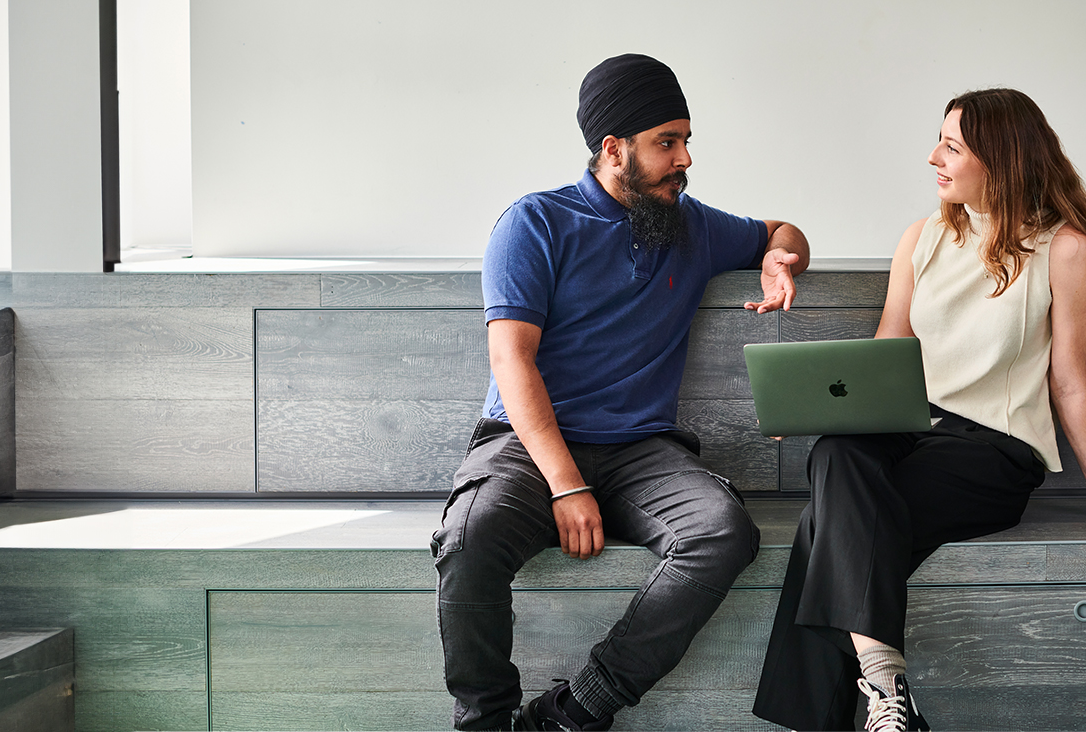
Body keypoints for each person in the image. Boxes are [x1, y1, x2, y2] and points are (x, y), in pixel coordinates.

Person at [430, 53, 810, 731]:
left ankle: (578, 710)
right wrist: (566, 484)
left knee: (722, 532)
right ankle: (485, 720)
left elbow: (781, 230)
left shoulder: (689, 224)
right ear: (612, 148)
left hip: (641, 451)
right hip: (527, 445)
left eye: (686, 140)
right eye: (667, 141)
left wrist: (781, 257)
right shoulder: (534, 223)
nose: (684, 158)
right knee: (467, 536)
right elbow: (512, 363)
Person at [752, 88, 1086, 732]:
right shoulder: (923, 237)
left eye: (952, 146)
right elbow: (888, 356)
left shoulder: (1064, 249)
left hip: (995, 450)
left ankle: (860, 700)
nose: (934, 156)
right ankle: (886, 686)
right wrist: (815, 404)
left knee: (829, 519)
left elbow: (1071, 382)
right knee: (836, 451)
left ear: (1002, 158)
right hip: (910, 427)